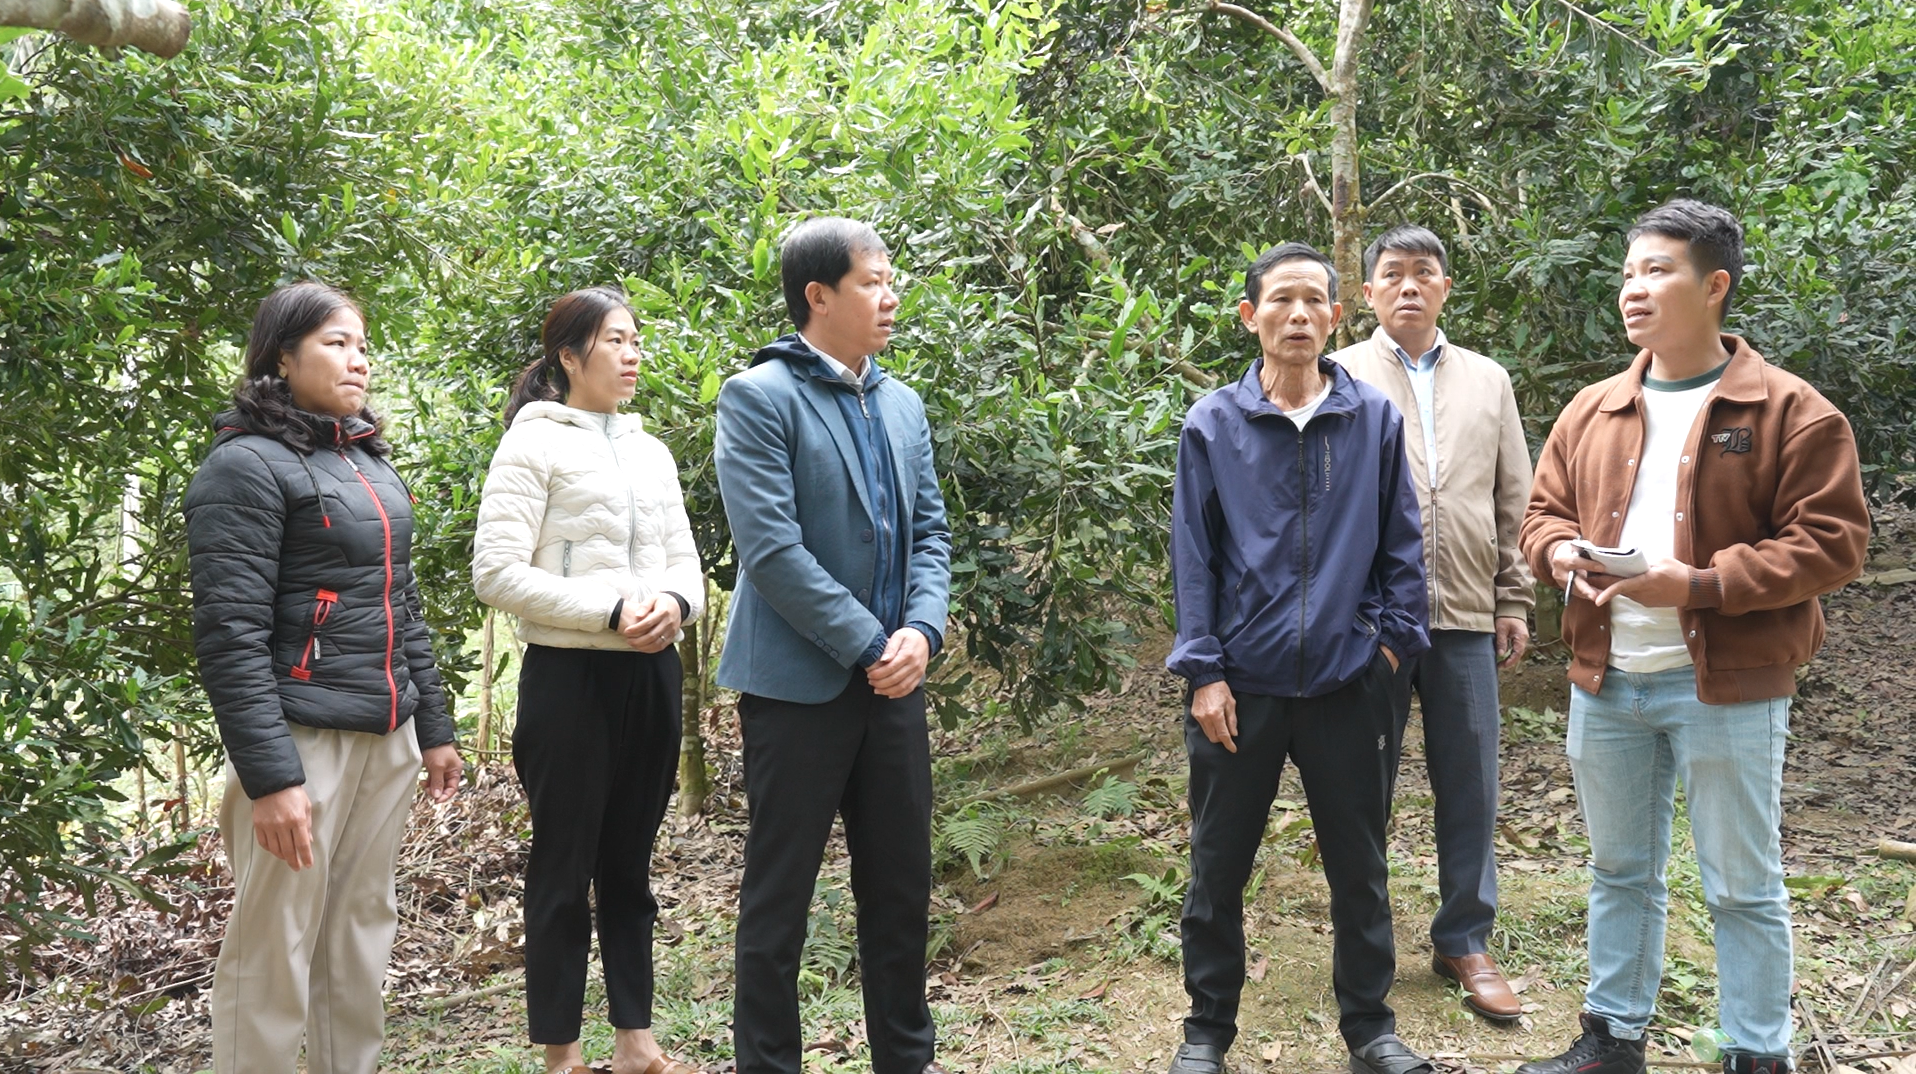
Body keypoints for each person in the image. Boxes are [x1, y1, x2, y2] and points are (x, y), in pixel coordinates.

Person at [1518, 199, 1870, 1074]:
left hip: (1727, 684)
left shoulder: (1791, 410)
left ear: (1714, 286)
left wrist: (1701, 586)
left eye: (1657, 271)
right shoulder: (1594, 409)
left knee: (1742, 884)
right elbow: (1541, 514)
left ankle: (1757, 1053)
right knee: (1619, 871)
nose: (1633, 290)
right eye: (1628, 273)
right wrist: (1558, 552)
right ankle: (1612, 1040)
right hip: (1607, 679)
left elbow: (1833, 543)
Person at [1166, 242, 1434, 1074]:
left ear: (1336, 317)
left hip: (1348, 684)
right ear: (1250, 316)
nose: (1298, 315)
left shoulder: (1372, 419)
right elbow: (1194, 559)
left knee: (1360, 867)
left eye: (1314, 300)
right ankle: (1207, 1031)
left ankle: (1371, 1030)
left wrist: (1388, 649)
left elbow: (1402, 546)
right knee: (1218, 867)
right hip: (1240, 689)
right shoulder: (1213, 424)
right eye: (1281, 300)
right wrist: (1205, 672)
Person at [185, 281, 462, 1074]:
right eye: (337, 343)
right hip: (300, 743)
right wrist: (273, 779)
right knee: (273, 948)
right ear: (283, 356)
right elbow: (230, 635)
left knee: (359, 933)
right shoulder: (243, 466)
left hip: (385, 734)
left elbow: (399, 603)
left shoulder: (365, 460)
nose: (358, 361)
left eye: (362, 346)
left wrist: (434, 728)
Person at [714, 217, 953, 1074]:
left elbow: (931, 534)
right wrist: (869, 643)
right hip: (796, 689)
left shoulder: (902, 403)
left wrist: (922, 632)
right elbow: (772, 551)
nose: (890, 298)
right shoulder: (759, 397)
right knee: (779, 899)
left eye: (891, 281)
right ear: (818, 295)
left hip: (894, 686)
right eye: (871, 283)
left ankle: (907, 1060)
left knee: (900, 890)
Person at [472, 286, 706, 1074]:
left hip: (651, 675)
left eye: (636, 340)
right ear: (569, 357)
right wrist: (610, 611)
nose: (632, 354)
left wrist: (673, 605)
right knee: (564, 867)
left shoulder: (652, 452)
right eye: (614, 341)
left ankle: (636, 1040)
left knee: (631, 866)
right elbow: (497, 573)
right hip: (568, 681)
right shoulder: (531, 446)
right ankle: (562, 1053)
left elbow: (686, 566)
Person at [1331, 224, 1534, 1020]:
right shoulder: (1340, 374)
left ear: (1446, 286)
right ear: (1368, 293)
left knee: (1471, 782)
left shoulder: (1488, 379)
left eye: (1424, 272)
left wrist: (1512, 597)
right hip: (1372, 620)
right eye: (1393, 274)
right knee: (1361, 786)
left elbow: (1513, 496)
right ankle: (1366, 944)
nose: (1409, 285)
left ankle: (1464, 938)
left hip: (1467, 612)